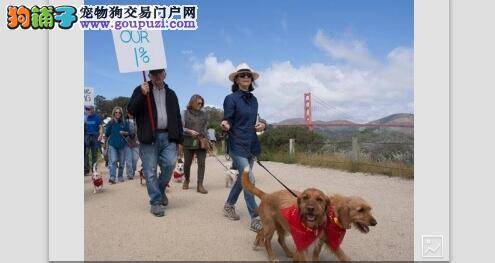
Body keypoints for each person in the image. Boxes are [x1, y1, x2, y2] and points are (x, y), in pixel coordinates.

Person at [127, 68, 183, 217]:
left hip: (168, 135)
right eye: (154, 73)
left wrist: (179, 139)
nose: (157, 76)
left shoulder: (171, 94)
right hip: (149, 137)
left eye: (160, 73)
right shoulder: (141, 90)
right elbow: (131, 111)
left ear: (165, 74)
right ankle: (156, 202)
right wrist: (141, 94)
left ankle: (160, 189)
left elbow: (177, 116)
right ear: (150, 75)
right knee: (150, 171)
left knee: (170, 164)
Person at [221, 63, 267, 232]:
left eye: (248, 75)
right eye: (242, 75)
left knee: (243, 179)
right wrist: (225, 124)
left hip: (251, 144)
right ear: (236, 79)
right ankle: (255, 217)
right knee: (250, 179)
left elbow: (257, 120)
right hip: (237, 143)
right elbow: (228, 119)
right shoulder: (230, 98)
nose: (246, 77)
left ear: (251, 79)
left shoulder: (254, 100)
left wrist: (263, 125)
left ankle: (229, 205)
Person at [181, 94, 210, 194]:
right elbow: (180, 127)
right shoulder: (184, 113)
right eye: (198, 103)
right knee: (187, 163)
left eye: (201, 103)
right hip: (188, 140)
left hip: (201, 140)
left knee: (202, 163)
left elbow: (206, 128)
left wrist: (208, 140)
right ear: (192, 102)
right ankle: (187, 180)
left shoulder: (205, 114)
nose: (200, 105)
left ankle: (200, 185)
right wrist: (188, 131)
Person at [105, 106, 130, 184]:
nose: (118, 113)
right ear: (114, 113)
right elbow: (107, 134)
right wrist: (105, 145)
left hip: (122, 145)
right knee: (113, 161)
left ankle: (120, 176)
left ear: (121, 113)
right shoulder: (110, 123)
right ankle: (112, 177)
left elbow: (128, 133)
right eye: (116, 112)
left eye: (119, 112)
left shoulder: (124, 122)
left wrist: (124, 133)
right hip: (112, 145)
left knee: (122, 162)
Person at [84, 105, 103, 176]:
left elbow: (100, 127)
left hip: (95, 136)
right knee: (86, 153)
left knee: (94, 154)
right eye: (86, 109)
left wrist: (101, 135)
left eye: (88, 109)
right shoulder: (85, 117)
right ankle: (86, 170)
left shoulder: (97, 117)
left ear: (92, 109)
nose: (87, 110)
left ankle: (94, 169)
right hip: (87, 136)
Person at [124, 113, 139, 180]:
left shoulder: (138, 121)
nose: (131, 114)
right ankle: (130, 174)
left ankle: (132, 170)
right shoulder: (124, 122)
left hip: (136, 143)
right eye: (129, 112)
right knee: (128, 160)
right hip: (127, 143)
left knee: (135, 159)